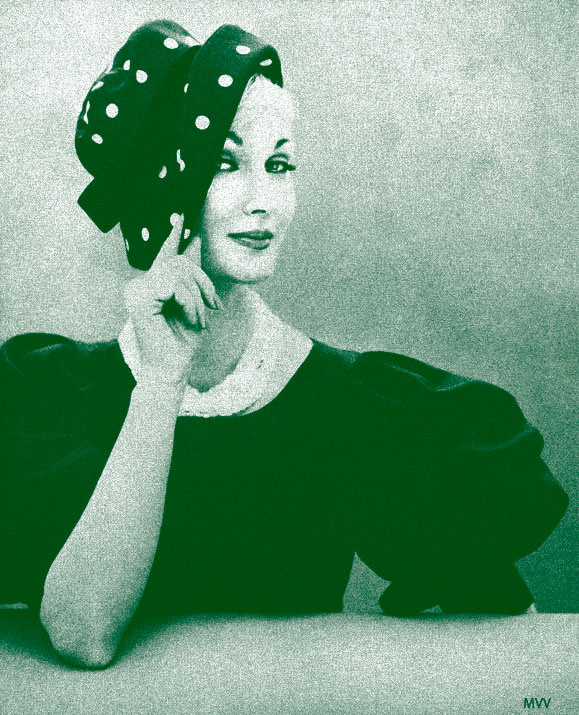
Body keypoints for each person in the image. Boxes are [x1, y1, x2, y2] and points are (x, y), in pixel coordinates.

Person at [0, 19, 568, 669]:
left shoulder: (357, 408)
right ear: (158, 182)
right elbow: (83, 633)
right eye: (224, 163)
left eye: (278, 165)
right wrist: (160, 383)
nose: (263, 200)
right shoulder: (45, 398)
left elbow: (514, 647)